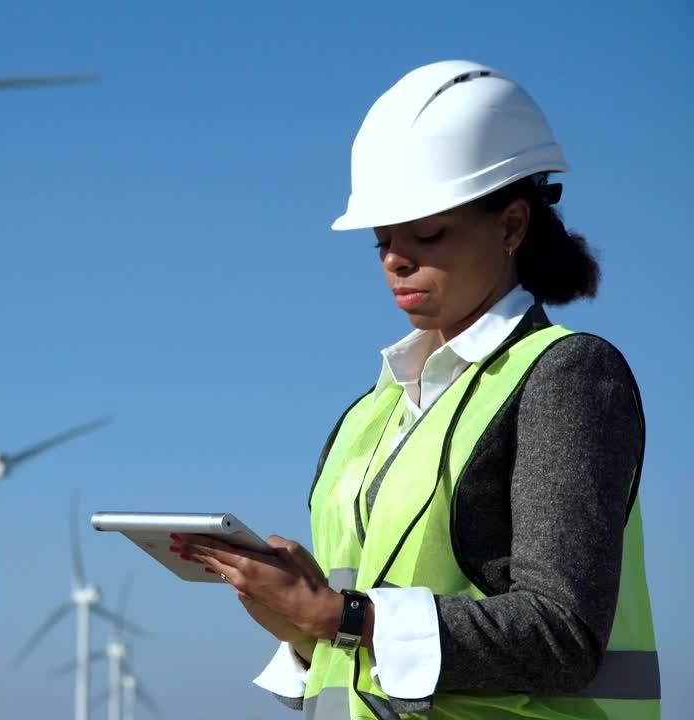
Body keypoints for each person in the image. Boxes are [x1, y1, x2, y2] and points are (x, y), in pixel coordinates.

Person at [175, 60, 660, 718]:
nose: (398, 259)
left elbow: (562, 636)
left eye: (427, 234)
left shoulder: (566, 376)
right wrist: (299, 619)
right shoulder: (370, 416)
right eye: (382, 241)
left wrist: (341, 616)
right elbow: (369, 631)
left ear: (513, 226)